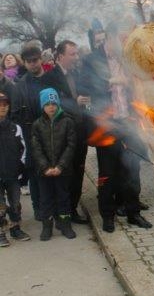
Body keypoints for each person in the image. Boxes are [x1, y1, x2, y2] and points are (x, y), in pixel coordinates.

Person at [79, 22, 152, 233]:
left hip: (129, 122)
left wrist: (129, 83)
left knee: (132, 170)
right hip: (107, 125)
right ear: (109, 38)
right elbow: (84, 87)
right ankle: (107, 216)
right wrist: (109, 81)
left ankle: (133, 212)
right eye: (121, 40)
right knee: (107, 174)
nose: (124, 44)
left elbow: (140, 85)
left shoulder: (127, 59)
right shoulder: (92, 60)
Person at [42, 40, 90, 224]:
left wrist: (87, 102)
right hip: (62, 135)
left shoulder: (76, 73)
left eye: (77, 53)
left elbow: (83, 96)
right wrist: (74, 102)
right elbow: (51, 104)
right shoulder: (50, 77)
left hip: (80, 132)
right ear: (60, 56)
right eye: (72, 54)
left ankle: (73, 209)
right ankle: (62, 212)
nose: (76, 57)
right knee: (65, 174)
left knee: (78, 172)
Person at [32, 88, 77, 241]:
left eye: (53, 103)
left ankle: (65, 225)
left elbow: (71, 145)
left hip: (62, 170)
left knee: (63, 198)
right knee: (46, 199)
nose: (51, 107)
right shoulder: (37, 124)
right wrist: (45, 167)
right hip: (44, 171)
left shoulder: (68, 122)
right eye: (47, 104)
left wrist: (60, 166)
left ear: (58, 104)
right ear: (42, 106)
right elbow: (36, 148)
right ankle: (47, 227)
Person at [11, 42, 48, 220]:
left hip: (52, 132)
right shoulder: (20, 86)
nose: (33, 64)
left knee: (53, 171)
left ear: (40, 59)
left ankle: (56, 209)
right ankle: (38, 208)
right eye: (29, 61)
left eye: (35, 60)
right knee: (34, 173)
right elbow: (15, 114)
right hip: (30, 133)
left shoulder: (51, 79)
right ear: (24, 63)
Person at [0, 91, 30, 246]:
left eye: (5, 105)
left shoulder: (15, 128)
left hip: (13, 173)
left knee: (15, 203)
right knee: (0, 205)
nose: (3, 107)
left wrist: (21, 169)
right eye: (0, 105)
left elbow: (23, 149)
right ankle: (0, 232)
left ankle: (15, 228)